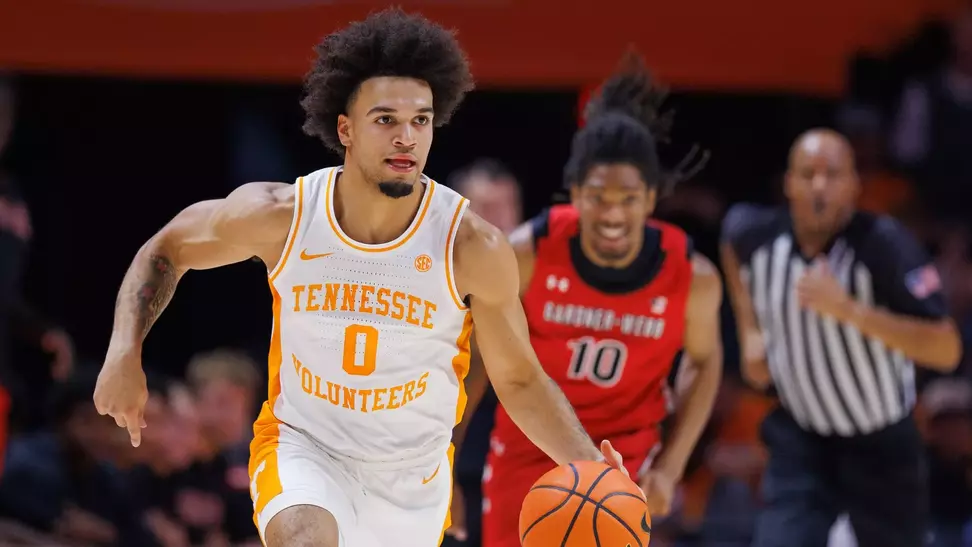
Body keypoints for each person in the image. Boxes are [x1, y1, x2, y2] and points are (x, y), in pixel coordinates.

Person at [92, 8, 630, 547]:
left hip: (412, 478)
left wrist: (592, 466)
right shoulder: (283, 216)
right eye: (386, 120)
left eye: (420, 120)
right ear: (345, 128)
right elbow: (168, 247)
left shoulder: (472, 245)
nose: (406, 137)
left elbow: (519, 379)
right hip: (305, 447)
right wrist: (123, 350)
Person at [461, 51, 724, 547]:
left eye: (628, 199)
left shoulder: (693, 276)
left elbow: (705, 361)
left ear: (651, 199)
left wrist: (670, 466)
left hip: (623, 462)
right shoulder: (527, 253)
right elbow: (474, 357)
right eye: (599, 196)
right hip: (528, 452)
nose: (612, 213)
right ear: (575, 193)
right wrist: (446, 459)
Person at [720, 128, 962, 547]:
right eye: (808, 173)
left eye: (832, 175)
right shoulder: (754, 237)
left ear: (854, 186)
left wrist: (849, 311)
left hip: (882, 446)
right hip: (802, 440)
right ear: (788, 183)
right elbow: (729, 240)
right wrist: (751, 330)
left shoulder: (884, 246)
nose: (819, 185)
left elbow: (946, 349)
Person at [445, 159, 524, 546]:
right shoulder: (434, 285)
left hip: (523, 468)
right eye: (486, 210)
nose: (498, 221)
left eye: (506, 208)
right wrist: (448, 472)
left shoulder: (537, 283)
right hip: (454, 466)